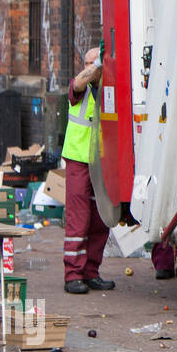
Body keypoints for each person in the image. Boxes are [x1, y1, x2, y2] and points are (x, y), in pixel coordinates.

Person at [62, 47, 115, 294]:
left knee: (99, 219)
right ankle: (73, 274)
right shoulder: (79, 87)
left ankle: (91, 272)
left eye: (91, 63)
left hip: (101, 163)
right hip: (78, 161)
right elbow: (79, 82)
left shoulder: (107, 91)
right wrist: (95, 67)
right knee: (78, 218)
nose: (87, 68)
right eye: (85, 63)